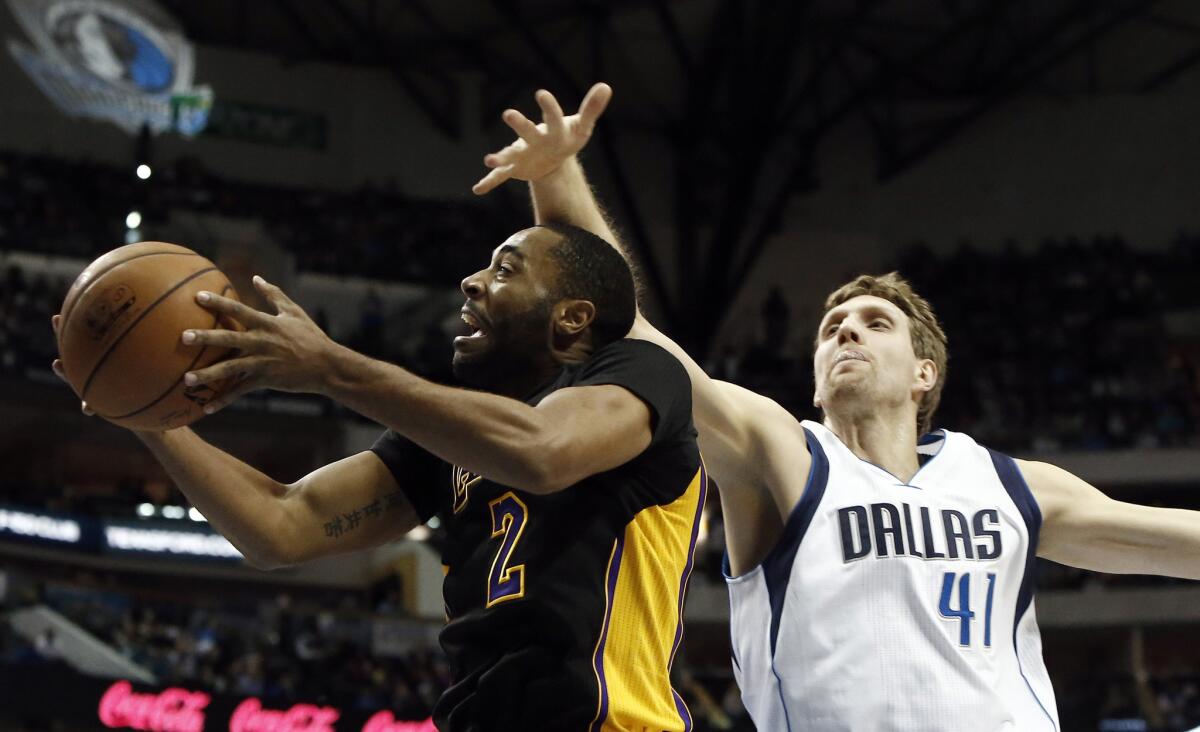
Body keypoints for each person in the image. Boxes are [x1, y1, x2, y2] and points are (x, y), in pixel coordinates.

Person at [474, 82, 1200, 731]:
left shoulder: (1010, 486)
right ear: (816, 384)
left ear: (925, 372)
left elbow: (1176, 537)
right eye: (830, 329)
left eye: (874, 323)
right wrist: (556, 176)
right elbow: (634, 338)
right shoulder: (784, 456)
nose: (847, 329)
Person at [50, 223, 705, 731]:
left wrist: (329, 368)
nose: (472, 282)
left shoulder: (639, 374)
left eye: (505, 269)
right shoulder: (448, 441)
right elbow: (282, 527)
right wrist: (138, 408)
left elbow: (543, 451)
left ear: (573, 317)